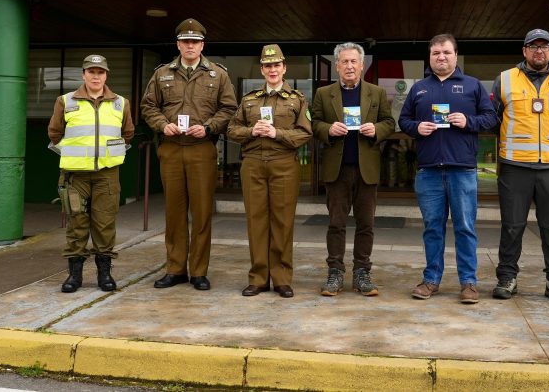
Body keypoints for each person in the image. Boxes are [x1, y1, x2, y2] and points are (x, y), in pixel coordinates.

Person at [398, 34, 497, 304]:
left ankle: (468, 283)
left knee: (465, 227)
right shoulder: (419, 88)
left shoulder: (472, 85)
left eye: (446, 52)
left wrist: (468, 121)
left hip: (462, 170)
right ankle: (431, 280)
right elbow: (403, 120)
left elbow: (490, 118)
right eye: (436, 53)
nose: (441, 57)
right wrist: (416, 127)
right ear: (430, 58)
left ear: (455, 55)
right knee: (432, 228)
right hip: (428, 171)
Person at [141, 18, 237, 291]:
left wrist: (208, 127)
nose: (190, 46)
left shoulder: (218, 74)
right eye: (185, 41)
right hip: (171, 149)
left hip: (201, 149)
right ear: (178, 45)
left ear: (202, 45)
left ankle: (198, 271)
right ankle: (175, 269)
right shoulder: (162, 74)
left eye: (195, 42)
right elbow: (148, 106)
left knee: (202, 212)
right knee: (174, 213)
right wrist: (162, 125)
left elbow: (229, 108)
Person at [491, 29, 549, 304]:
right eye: (533, 46)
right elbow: (494, 119)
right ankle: (507, 278)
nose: (538, 51)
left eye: (544, 46)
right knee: (512, 226)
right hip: (515, 166)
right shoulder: (505, 79)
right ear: (524, 51)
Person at [227, 44, 312, 298]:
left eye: (276, 65)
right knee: (256, 221)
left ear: (284, 68)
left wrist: (277, 133)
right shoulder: (249, 99)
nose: (272, 70)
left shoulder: (297, 99)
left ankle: (282, 278)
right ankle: (258, 278)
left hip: (284, 163)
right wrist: (251, 131)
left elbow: (305, 133)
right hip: (253, 163)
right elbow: (232, 129)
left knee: (283, 222)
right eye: (267, 66)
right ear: (262, 70)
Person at [311, 42, 395, 296]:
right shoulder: (324, 94)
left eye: (353, 62)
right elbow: (314, 123)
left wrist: (376, 130)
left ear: (362, 65)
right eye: (344, 62)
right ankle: (335, 273)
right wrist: (328, 130)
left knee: (365, 224)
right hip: (337, 170)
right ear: (337, 66)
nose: (349, 66)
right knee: (336, 224)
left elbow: (389, 122)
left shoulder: (376, 92)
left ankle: (362, 273)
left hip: (366, 169)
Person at [48, 54, 135, 293]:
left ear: (106, 75)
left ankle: (104, 275)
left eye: (100, 72)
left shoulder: (120, 103)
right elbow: (55, 133)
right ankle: (74, 276)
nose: (96, 76)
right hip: (75, 175)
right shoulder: (65, 101)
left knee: (105, 224)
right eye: (91, 72)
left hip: (107, 174)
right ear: (83, 74)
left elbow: (128, 133)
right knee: (77, 224)